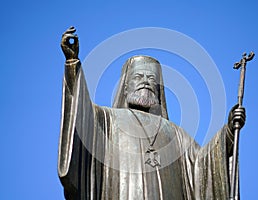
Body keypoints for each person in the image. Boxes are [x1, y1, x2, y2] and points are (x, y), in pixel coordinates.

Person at [58, 26, 245, 200]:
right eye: (138, 77)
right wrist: (73, 64)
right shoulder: (107, 119)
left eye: (151, 78)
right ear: (125, 87)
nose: (145, 82)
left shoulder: (177, 135)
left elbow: (201, 165)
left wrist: (228, 133)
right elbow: (81, 116)